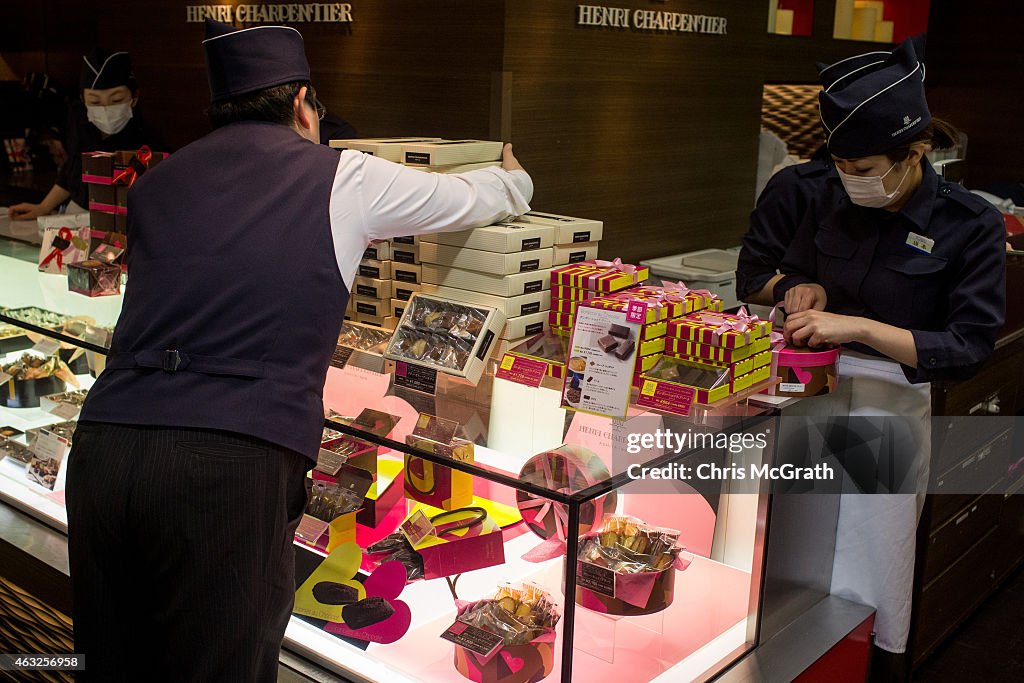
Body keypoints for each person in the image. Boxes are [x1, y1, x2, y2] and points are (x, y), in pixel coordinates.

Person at [66, 19, 532, 682]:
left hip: (105, 447)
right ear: (302, 105)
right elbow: (457, 198)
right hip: (225, 465)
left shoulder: (156, 184)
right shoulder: (343, 177)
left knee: (110, 660)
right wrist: (515, 180)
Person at [764, 37, 1005, 680]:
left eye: (864, 165)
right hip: (809, 395)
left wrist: (865, 328)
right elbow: (788, 275)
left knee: (868, 562)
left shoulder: (969, 223)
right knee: (792, 561)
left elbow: (969, 345)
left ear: (915, 151)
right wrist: (798, 291)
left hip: (889, 410)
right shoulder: (827, 201)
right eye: (841, 163)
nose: (851, 177)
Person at [7, 49, 163, 219]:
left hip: (124, 222)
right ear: (83, 100)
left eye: (116, 100)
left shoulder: (148, 145)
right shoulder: (81, 125)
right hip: (77, 216)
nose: (105, 109)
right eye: (95, 101)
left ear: (134, 97)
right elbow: (72, 171)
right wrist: (43, 207)